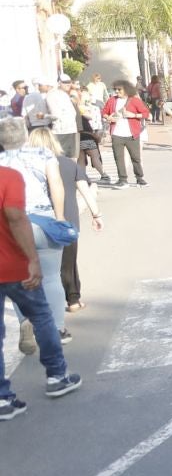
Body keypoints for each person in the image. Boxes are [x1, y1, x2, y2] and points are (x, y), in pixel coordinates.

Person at [0, 154, 79, 418]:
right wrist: (32, 258)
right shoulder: (8, 176)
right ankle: (57, 376)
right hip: (12, 265)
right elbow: (15, 217)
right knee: (43, 316)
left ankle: (2, 398)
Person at [0, 117, 72, 362]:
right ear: (23, 135)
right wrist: (59, 217)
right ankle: (59, 328)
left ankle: (25, 321)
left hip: (12, 226)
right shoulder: (42, 154)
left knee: (22, 279)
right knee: (51, 276)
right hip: (42, 219)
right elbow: (56, 185)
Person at [30, 125, 99, 315]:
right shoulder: (68, 164)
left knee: (41, 266)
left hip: (37, 222)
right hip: (67, 221)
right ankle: (73, 299)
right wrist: (96, 214)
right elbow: (85, 191)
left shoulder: (29, 168)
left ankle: (42, 305)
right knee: (68, 262)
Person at [101, 81, 149, 187]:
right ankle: (122, 179)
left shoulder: (134, 101)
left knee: (135, 157)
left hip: (132, 134)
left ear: (126, 90)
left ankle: (139, 178)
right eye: (116, 90)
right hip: (117, 133)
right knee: (118, 157)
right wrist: (108, 117)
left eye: (119, 89)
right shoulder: (112, 100)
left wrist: (134, 115)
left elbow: (146, 113)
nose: (117, 91)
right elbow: (104, 112)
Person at [44, 77, 78, 160]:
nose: (68, 84)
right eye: (65, 82)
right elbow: (74, 113)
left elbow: (56, 115)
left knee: (60, 159)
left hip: (61, 131)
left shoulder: (51, 95)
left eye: (69, 82)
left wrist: (44, 116)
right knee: (71, 159)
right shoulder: (63, 94)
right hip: (72, 129)